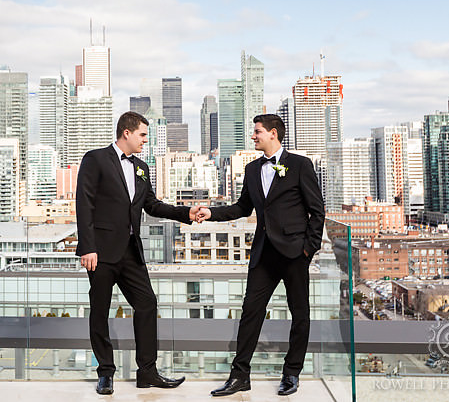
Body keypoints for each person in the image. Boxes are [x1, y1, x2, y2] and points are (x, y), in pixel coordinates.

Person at [76, 111, 203, 395]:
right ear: (127, 133)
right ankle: (105, 373)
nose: (146, 140)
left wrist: (186, 213)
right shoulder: (95, 159)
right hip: (101, 252)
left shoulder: (142, 167)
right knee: (99, 312)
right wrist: (88, 247)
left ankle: (147, 372)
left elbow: (153, 205)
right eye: (143, 135)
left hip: (131, 252)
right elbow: (83, 203)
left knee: (147, 304)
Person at [197, 114, 325, 397]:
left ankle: (291, 374)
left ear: (273, 134)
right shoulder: (252, 169)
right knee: (250, 314)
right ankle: (240, 375)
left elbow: (318, 210)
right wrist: (211, 214)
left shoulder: (300, 165)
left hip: (294, 254)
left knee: (300, 315)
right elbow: (242, 207)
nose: (253, 136)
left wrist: (308, 248)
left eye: (257, 132)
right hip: (263, 254)